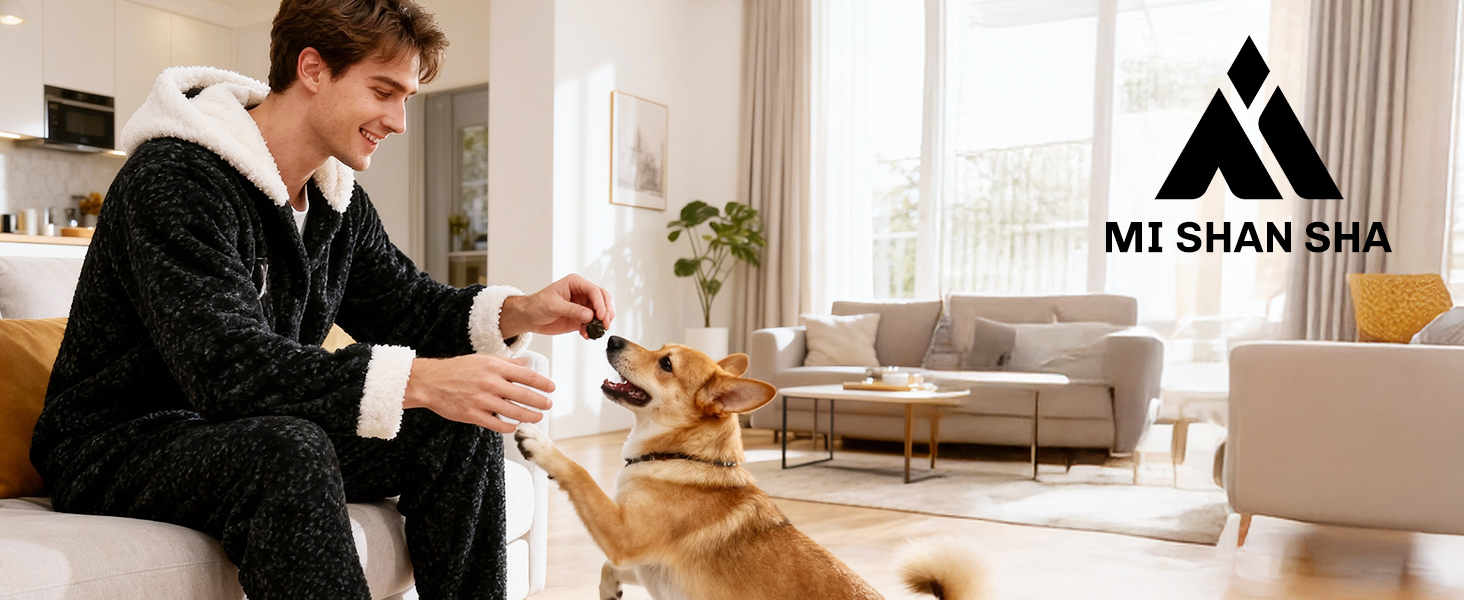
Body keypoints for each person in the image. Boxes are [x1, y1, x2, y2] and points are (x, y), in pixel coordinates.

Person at [28, 1, 611, 598]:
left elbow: (409, 308)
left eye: (406, 97)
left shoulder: (337, 203)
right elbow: (225, 365)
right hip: (117, 443)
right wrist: (422, 380)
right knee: (289, 448)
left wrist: (520, 311)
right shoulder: (174, 177)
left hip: (234, 427)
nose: (399, 120)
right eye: (384, 91)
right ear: (312, 68)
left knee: (454, 426)